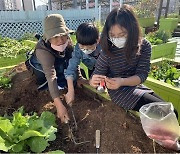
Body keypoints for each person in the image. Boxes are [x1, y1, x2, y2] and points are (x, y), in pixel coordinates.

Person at [89, 5, 178, 117]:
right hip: (119, 93)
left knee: (172, 112)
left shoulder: (144, 46)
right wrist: (93, 81)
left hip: (135, 86)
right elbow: (96, 74)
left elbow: (142, 75)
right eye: (112, 35)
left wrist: (122, 81)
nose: (116, 39)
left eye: (122, 35)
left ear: (133, 30)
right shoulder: (108, 50)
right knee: (168, 113)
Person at [25, 14, 75, 123]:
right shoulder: (43, 50)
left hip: (57, 61)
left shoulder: (68, 42)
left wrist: (79, 78)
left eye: (63, 35)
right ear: (48, 37)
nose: (60, 40)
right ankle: (47, 88)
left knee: (64, 72)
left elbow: (73, 63)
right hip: (40, 67)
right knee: (45, 78)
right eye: (55, 37)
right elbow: (50, 75)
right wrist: (59, 105)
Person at [64, 22, 101, 104]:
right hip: (92, 67)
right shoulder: (77, 50)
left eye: (90, 47)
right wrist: (71, 91)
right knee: (95, 84)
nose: (86, 50)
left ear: (97, 41)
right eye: (82, 47)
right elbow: (71, 69)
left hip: (107, 66)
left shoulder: (105, 45)